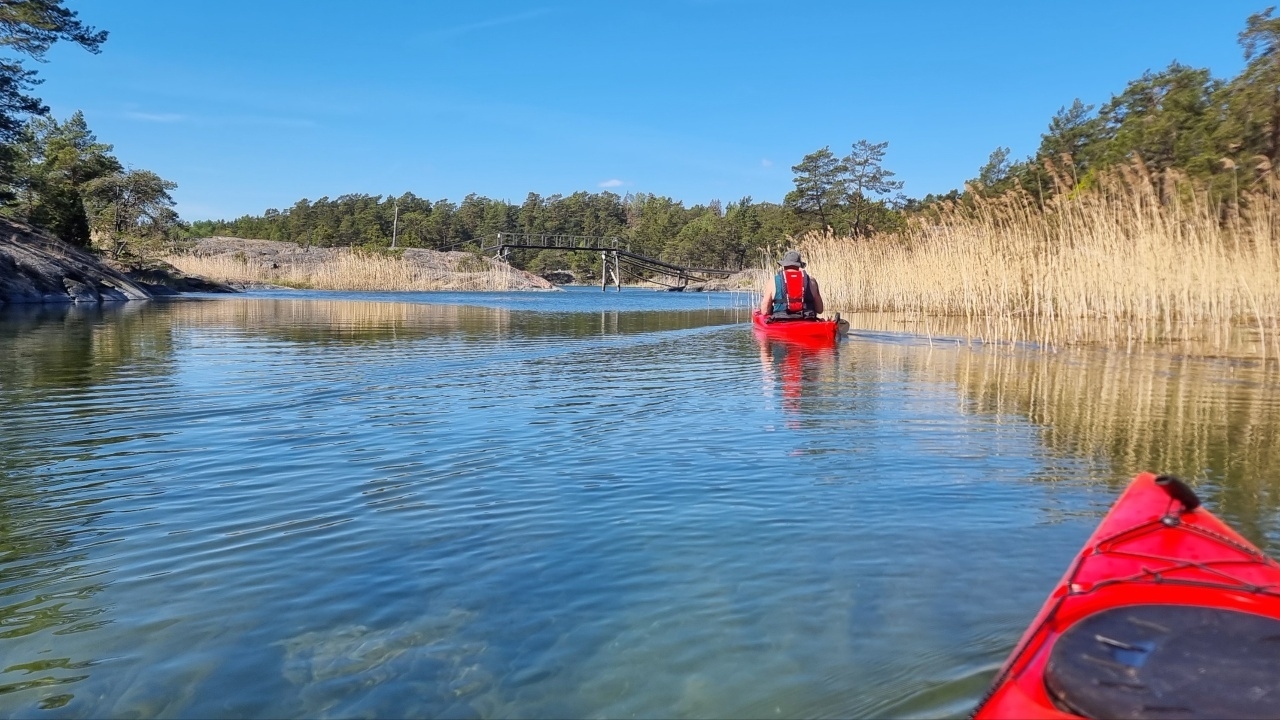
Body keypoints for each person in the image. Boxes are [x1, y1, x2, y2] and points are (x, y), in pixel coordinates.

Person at [760, 250, 824, 318]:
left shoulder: (773, 281)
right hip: (807, 319)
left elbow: (765, 311)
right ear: (799, 265)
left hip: (780, 320)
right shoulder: (811, 281)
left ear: (784, 265)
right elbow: (819, 309)